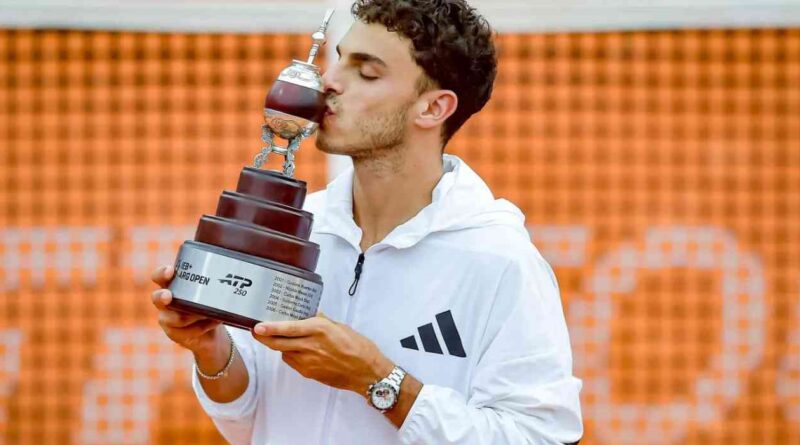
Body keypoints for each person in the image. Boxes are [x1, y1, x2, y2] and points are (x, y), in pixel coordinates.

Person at [150, 0, 583, 443]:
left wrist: (378, 379)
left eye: (367, 72)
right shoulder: (301, 225)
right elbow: (252, 421)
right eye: (339, 60)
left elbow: (541, 436)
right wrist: (210, 349)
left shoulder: (500, 261)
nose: (330, 82)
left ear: (433, 109)